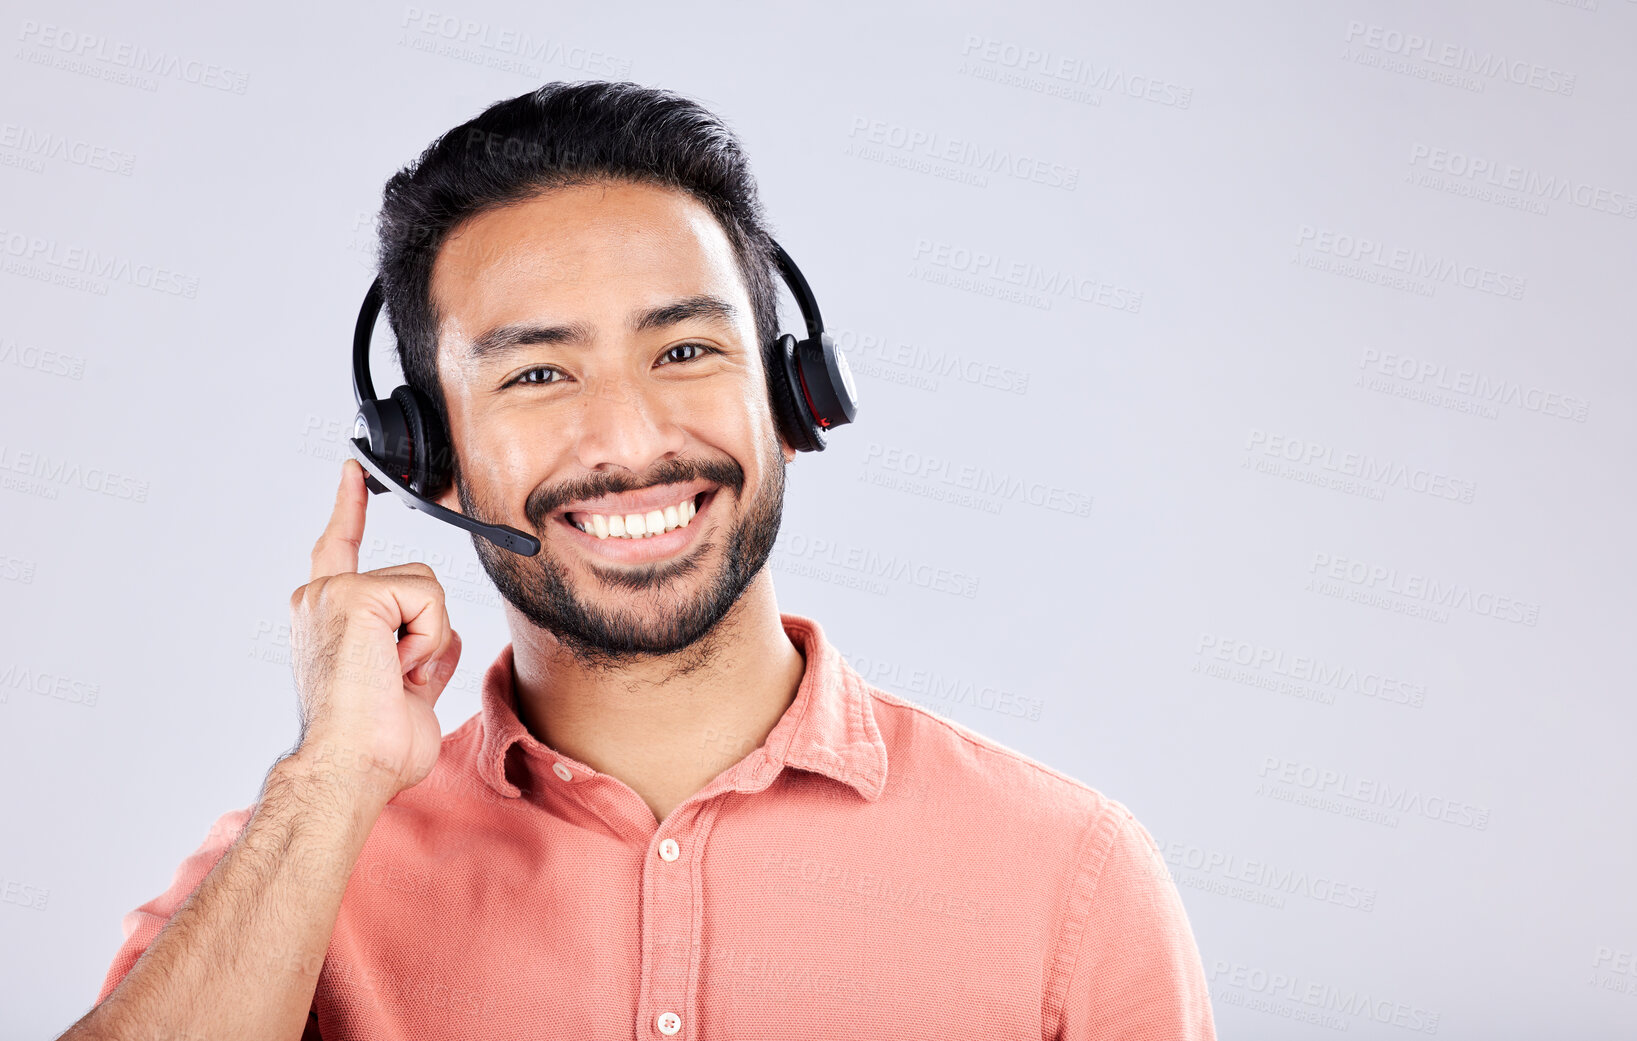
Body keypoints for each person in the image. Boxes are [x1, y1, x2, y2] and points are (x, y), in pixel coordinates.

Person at [61, 81, 1215, 1040]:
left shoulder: (1071, 874)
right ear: (428, 458)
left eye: (687, 348)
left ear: (793, 399)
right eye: (538, 373)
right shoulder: (291, 873)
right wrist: (329, 783)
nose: (631, 440)